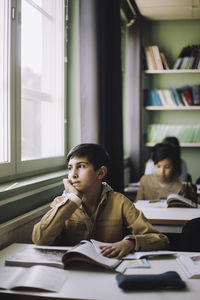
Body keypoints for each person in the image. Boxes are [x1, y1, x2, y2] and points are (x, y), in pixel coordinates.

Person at [32, 143, 169, 259]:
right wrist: (73, 199)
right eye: (70, 168)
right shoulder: (62, 203)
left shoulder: (119, 202)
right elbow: (40, 239)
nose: (73, 174)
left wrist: (130, 243)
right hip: (72, 271)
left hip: (108, 271)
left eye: (81, 166)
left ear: (100, 173)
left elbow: (160, 239)